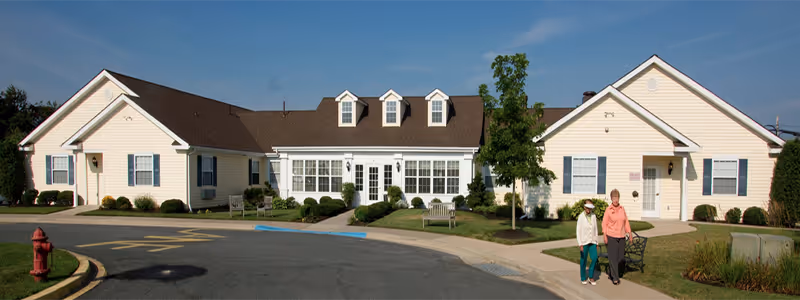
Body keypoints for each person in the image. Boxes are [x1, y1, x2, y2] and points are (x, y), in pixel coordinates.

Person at [602, 189, 632, 285]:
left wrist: (629, 233)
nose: (615, 199)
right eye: (614, 197)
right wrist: (604, 235)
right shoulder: (608, 210)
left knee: (621, 258)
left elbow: (626, 221)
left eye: (617, 197)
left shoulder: (622, 209)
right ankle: (615, 278)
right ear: (611, 198)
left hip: (621, 236)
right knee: (613, 258)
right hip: (611, 236)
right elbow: (604, 223)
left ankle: (612, 272)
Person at [576, 199, 599, 285]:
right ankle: (583, 277)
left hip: (592, 241)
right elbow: (578, 231)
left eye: (590, 208)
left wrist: (596, 242)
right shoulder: (581, 217)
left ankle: (591, 276)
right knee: (583, 259)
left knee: (594, 258)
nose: (589, 210)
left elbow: (596, 229)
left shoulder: (593, 216)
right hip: (584, 241)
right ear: (584, 207)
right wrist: (580, 243)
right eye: (588, 208)